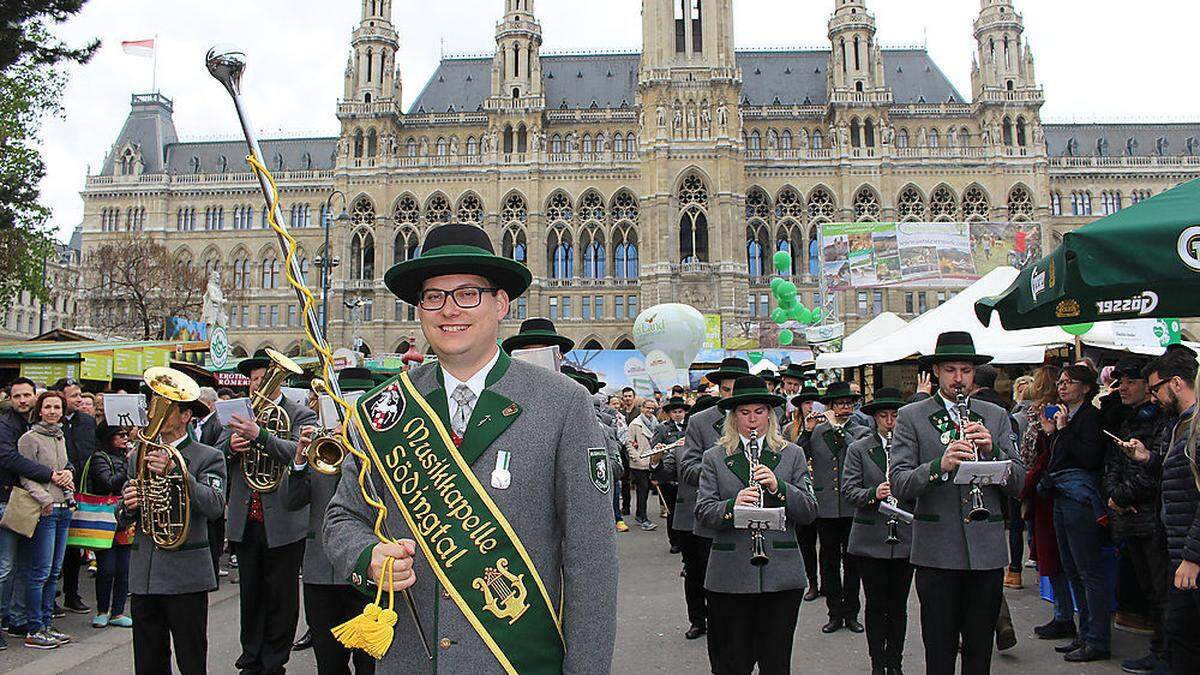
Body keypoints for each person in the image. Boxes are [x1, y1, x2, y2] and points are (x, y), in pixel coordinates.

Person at [323, 223, 618, 672]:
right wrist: (368, 557)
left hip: (516, 660)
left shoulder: (562, 404)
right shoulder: (383, 408)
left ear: (500, 304)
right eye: (433, 297)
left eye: (467, 294)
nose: (448, 310)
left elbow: (591, 559)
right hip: (411, 660)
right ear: (419, 309)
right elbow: (344, 516)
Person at [889, 331, 1024, 675]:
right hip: (937, 550)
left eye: (966, 369)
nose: (959, 378)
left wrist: (993, 452)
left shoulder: (994, 415)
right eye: (951, 369)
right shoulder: (912, 416)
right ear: (936, 372)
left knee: (979, 650)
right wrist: (939, 466)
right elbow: (901, 483)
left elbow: (1020, 483)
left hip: (986, 550)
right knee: (940, 648)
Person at [695, 375, 818, 674]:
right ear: (733, 417)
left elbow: (809, 511)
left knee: (776, 662)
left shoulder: (792, 454)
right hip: (730, 575)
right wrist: (732, 505)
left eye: (759, 412)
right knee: (732, 663)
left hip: (781, 574)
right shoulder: (715, 456)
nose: (752, 420)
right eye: (744, 412)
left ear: (770, 415)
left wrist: (780, 487)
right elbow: (703, 511)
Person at [221, 349, 318, 674]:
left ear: (279, 381)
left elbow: (300, 453)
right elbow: (213, 452)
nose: (256, 385)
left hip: (283, 521)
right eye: (253, 380)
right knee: (251, 594)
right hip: (246, 518)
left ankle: (275, 661)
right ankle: (250, 658)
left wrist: (260, 435)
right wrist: (230, 448)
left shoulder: (300, 413)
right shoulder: (238, 412)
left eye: (263, 379)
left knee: (282, 597)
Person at [120, 389, 225, 674]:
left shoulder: (209, 456)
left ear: (186, 415)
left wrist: (178, 474)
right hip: (146, 574)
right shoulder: (140, 454)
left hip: (185, 574)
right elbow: (123, 513)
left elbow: (215, 505)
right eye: (155, 405)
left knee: (191, 660)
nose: (156, 413)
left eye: (166, 407)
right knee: (147, 662)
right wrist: (129, 505)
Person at [281, 368, 376, 675]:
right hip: (320, 571)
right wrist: (298, 461)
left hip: (367, 569)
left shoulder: (381, 449)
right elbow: (291, 501)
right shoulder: (318, 447)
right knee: (328, 662)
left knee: (370, 663)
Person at [1120, 350, 1199, 675]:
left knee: (1185, 633)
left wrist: (1193, 556)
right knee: (1181, 632)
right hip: (1178, 544)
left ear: (1177, 383)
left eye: (1156, 389)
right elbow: (1176, 477)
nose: (1153, 397)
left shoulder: (1195, 426)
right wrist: (1147, 459)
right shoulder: (1177, 424)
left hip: (1191, 552)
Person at [675, 356, 749, 646]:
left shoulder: (762, 417)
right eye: (727, 389)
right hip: (706, 512)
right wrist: (720, 474)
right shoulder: (700, 421)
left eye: (737, 389)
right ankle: (699, 619)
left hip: (747, 512)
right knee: (699, 572)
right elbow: (688, 466)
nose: (731, 395)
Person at [1041, 364, 1111, 662]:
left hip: (1080, 498)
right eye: (1060, 382)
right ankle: (1084, 634)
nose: (1063, 386)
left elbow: (1088, 457)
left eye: (1070, 382)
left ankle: (1097, 638)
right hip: (1061, 495)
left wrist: (1064, 431)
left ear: (1086, 387)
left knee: (1088, 571)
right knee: (1071, 569)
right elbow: (1057, 457)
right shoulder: (1066, 417)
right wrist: (1053, 433)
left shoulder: (1091, 418)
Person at [844, 388, 914, 675]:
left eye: (895, 416)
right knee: (875, 604)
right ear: (874, 419)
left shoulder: (911, 447)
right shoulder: (859, 449)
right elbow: (849, 491)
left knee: (898, 606)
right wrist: (875, 493)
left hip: (905, 536)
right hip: (870, 537)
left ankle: (894, 662)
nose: (889, 421)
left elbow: (921, 486)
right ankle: (877, 663)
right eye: (883, 416)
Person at [803, 380, 870, 634]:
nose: (844, 408)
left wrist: (836, 427)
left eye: (848, 403)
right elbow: (799, 455)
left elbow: (855, 449)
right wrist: (808, 432)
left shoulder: (862, 429)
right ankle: (834, 613)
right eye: (839, 403)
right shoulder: (818, 429)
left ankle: (852, 613)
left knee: (853, 563)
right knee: (828, 563)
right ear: (829, 405)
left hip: (852, 507)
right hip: (827, 507)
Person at [0, 377, 59, 650]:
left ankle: (17, 618)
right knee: (6, 567)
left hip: (31, 501)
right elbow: (9, 459)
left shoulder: (38, 424)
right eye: (17, 396)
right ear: (10, 399)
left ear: (35, 396)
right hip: (8, 500)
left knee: (25, 566)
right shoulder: (6, 425)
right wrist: (50, 474)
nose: (23, 400)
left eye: (27, 395)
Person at [14, 390, 74, 649]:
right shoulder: (30, 438)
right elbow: (25, 475)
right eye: (48, 407)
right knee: (39, 572)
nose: (52, 411)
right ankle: (34, 627)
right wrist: (44, 499)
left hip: (64, 507)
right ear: (40, 410)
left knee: (53, 572)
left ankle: (47, 624)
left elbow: (66, 467)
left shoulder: (60, 435)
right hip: (46, 510)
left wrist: (70, 476)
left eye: (57, 407)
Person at [53, 377, 95, 616]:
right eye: (73, 396)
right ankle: (53, 597)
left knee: (75, 546)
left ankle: (72, 593)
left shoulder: (86, 421)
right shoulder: (54, 422)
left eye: (80, 395)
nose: (79, 400)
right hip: (60, 490)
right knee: (58, 549)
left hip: (83, 490)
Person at [88, 423, 133, 629]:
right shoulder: (99, 457)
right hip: (106, 518)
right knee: (106, 569)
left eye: (126, 435)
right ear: (109, 437)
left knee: (124, 569)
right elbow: (108, 483)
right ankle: (102, 610)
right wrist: (127, 463)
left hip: (125, 518)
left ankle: (118, 611)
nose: (125, 438)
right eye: (120, 435)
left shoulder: (125, 457)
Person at [788, 385, 824, 601]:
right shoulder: (790, 429)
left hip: (826, 491)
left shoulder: (829, 425)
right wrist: (807, 431)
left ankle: (828, 583)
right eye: (807, 403)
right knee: (806, 542)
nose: (811, 407)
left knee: (828, 547)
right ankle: (812, 582)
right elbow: (796, 455)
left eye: (814, 402)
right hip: (803, 489)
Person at [652, 396, 689, 550]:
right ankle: (674, 542)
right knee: (672, 511)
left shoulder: (691, 427)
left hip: (686, 474)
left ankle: (686, 540)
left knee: (687, 510)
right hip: (669, 473)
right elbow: (655, 448)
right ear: (669, 413)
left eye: (680, 411)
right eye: (674, 412)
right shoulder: (662, 428)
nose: (678, 414)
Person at [627, 398, 662, 531]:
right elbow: (629, 443)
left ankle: (639, 515)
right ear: (642, 408)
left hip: (652, 461)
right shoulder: (635, 424)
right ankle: (643, 517)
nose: (650, 411)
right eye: (647, 408)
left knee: (647, 489)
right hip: (639, 463)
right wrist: (636, 458)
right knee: (643, 490)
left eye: (652, 408)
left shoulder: (656, 423)